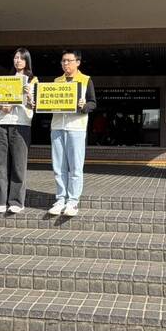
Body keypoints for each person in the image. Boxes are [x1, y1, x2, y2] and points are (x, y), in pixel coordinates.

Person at [48, 49, 96, 217]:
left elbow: (92, 103)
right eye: (63, 61)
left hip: (76, 127)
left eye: (69, 60)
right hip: (57, 127)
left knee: (75, 167)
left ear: (78, 62)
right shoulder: (56, 81)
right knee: (58, 166)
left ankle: (73, 201)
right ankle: (60, 199)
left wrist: (84, 106)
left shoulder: (85, 80)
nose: (65, 64)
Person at [0, 48, 37, 214]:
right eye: (15, 57)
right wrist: (0, 105)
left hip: (21, 123)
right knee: (1, 164)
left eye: (21, 58)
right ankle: (1, 200)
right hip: (2, 122)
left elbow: (36, 106)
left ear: (27, 61)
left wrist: (30, 97)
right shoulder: (6, 79)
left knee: (18, 164)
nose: (17, 60)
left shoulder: (33, 80)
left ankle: (16, 201)